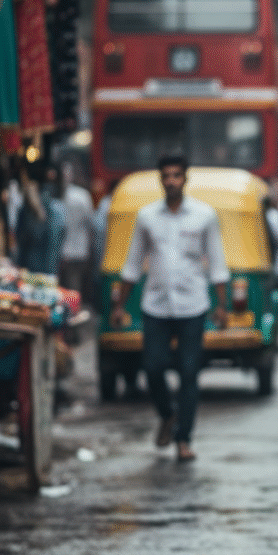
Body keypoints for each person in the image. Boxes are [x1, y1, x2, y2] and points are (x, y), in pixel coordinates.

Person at [112, 154, 230, 462]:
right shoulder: (147, 216)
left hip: (193, 305)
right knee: (153, 368)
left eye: (176, 175)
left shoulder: (204, 215)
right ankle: (167, 415)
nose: (171, 181)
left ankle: (184, 439)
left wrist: (222, 305)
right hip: (156, 305)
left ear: (185, 179)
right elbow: (133, 264)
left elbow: (217, 263)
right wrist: (119, 305)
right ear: (160, 179)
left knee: (189, 374)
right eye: (166, 176)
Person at [15, 160, 66, 277]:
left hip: (38, 269)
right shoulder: (31, 208)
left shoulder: (51, 207)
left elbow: (25, 236)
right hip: (38, 268)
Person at [58, 163, 94, 299]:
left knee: (63, 288)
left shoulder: (59, 196)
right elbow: (91, 222)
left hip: (63, 251)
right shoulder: (83, 195)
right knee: (74, 287)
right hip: (80, 251)